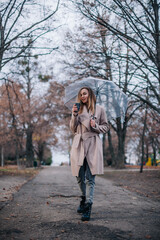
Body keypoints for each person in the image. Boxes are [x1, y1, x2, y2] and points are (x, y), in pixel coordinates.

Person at [70, 87, 110, 221]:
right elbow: (72, 128)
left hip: (92, 144)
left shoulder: (99, 110)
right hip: (79, 144)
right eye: (80, 94)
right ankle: (83, 198)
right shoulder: (78, 109)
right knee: (79, 176)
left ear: (90, 94)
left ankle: (88, 207)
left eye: (84, 93)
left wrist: (95, 126)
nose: (82, 96)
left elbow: (106, 127)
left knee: (90, 178)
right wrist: (74, 115)